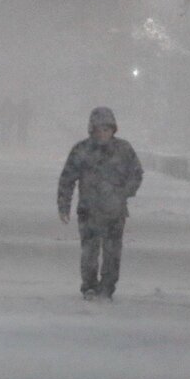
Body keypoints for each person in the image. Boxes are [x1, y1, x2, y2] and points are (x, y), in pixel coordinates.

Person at [57, 106, 143, 300]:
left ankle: (108, 286)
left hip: (115, 211)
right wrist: (64, 204)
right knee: (89, 251)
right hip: (89, 210)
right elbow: (67, 179)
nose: (103, 133)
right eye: (98, 129)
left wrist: (124, 193)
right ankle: (89, 284)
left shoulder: (124, 150)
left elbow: (136, 174)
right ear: (92, 129)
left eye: (107, 129)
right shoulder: (81, 150)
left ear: (113, 129)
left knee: (113, 252)